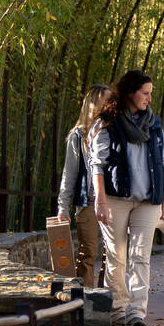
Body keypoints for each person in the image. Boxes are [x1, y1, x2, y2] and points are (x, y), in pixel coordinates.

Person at [90, 70, 164, 326]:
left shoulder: (154, 124)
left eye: (150, 93)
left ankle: (137, 312)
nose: (149, 98)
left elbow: (162, 162)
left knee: (141, 256)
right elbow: (97, 165)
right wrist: (100, 200)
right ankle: (118, 311)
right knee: (117, 256)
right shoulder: (107, 123)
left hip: (148, 200)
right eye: (145, 93)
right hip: (116, 198)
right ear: (130, 93)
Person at [57, 84, 111, 285]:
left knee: (111, 256)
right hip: (87, 201)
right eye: (107, 100)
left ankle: (107, 301)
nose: (111, 104)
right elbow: (69, 174)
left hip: (111, 201)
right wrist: (62, 207)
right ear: (95, 104)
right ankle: (86, 302)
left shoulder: (115, 131)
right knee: (87, 253)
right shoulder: (78, 136)